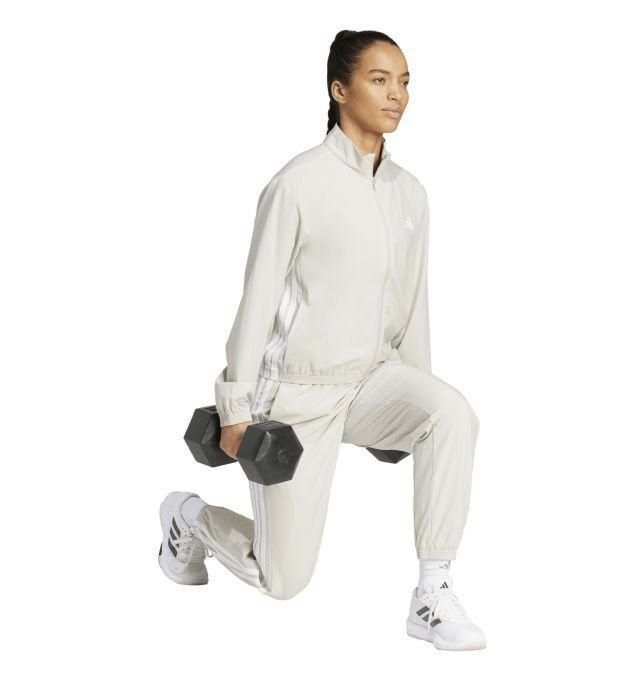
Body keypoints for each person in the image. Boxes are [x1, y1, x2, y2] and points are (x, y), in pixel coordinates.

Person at [158, 29, 485, 652]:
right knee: (281, 579)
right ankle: (189, 517)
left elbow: (413, 305)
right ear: (339, 89)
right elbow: (257, 302)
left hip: (372, 381)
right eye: (379, 80)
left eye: (405, 82)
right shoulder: (298, 184)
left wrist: (415, 401)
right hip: (297, 396)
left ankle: (432, 594)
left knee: (452, 412)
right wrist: (236, 406)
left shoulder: (410, 193)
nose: (397, 95)